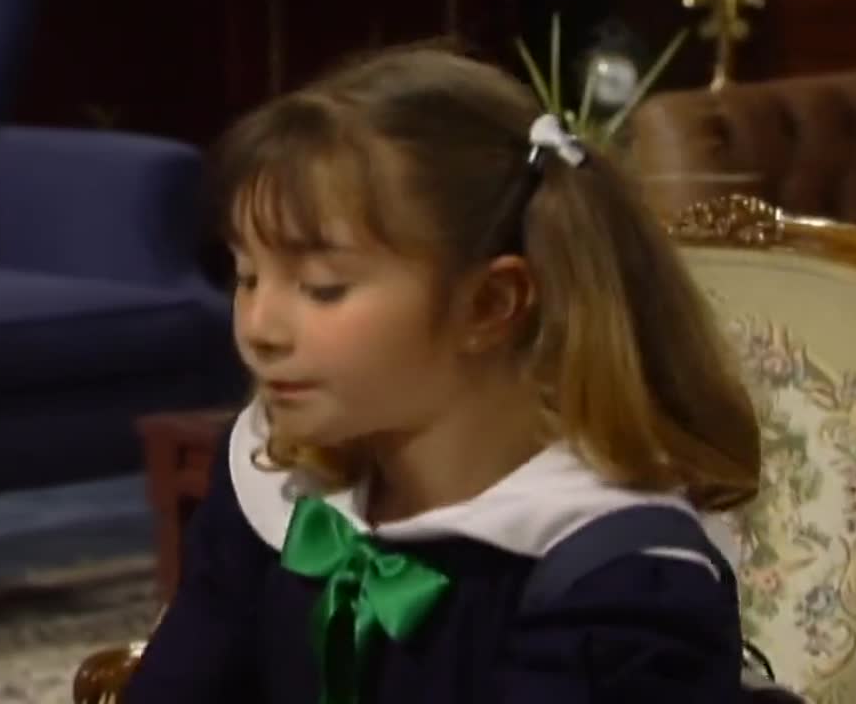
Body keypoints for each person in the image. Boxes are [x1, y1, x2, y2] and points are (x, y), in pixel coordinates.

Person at [124, 43, 764, 704]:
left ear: (490, 304)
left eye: (321, 287)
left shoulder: (620, 583)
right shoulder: (276, 485)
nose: (259, 327)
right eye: (248, 276)